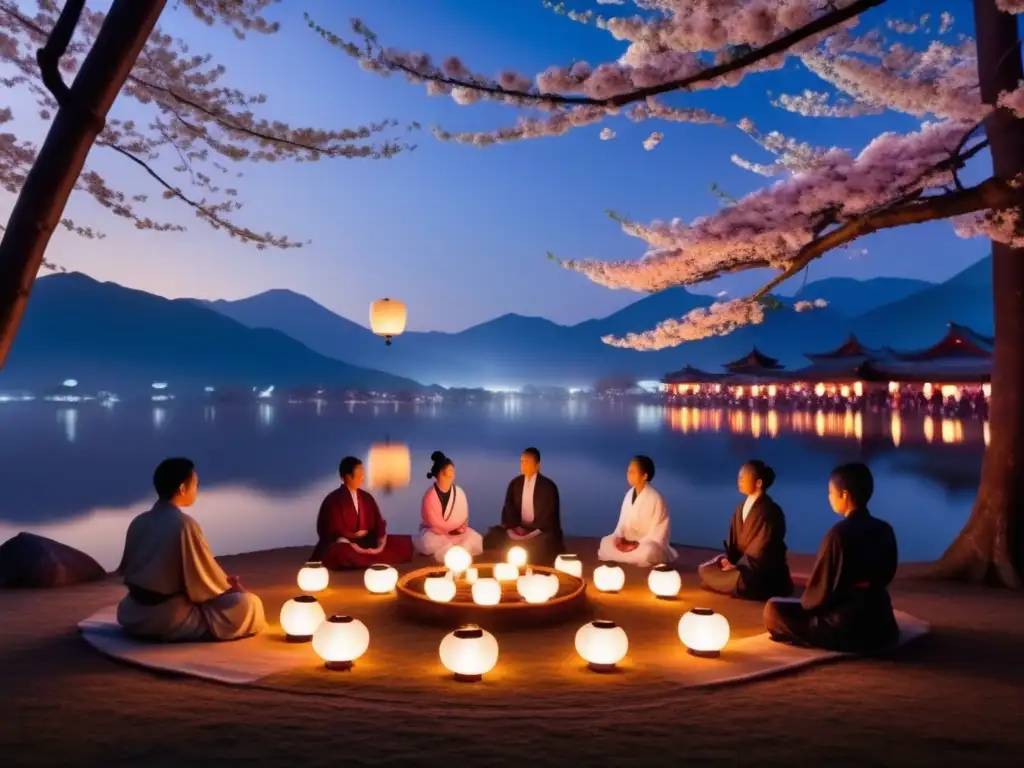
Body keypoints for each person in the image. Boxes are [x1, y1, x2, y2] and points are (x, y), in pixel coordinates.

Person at [116, 458, 266, 642]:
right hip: (166, 617)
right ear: (182, 488)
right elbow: (205, 583)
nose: (197, 488)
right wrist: (232, 587)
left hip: (131, 612)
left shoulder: (138, 521)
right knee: (250, 604)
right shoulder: (184, 525)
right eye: (195, 483)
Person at [763, 462, 900, 653]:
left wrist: (809, 604)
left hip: (846, 623)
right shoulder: (885, 529)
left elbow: (819, 592)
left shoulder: (838, 534)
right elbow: (887, 574)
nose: (829, 497)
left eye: (831, 492)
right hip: (880, 618)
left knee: (773, 610)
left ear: (844, 494)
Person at [698, 460, 793, 600]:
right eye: (739, 476)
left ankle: (732, 583)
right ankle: (729, 581)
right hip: (739, 565)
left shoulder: (771, 511)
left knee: (744, 581)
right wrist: (728, 560)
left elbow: (762, 549)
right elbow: (733, 540)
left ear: (758, 483)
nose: (739, 479)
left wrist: (737, 567)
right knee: (705, 568)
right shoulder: (741, 507)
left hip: (759, 570)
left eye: (744, 476)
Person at [310, 456, 414, 569]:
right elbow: (331, 531)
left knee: (402, 544)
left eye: (363, 474)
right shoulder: (333, 500)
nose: (363, 477)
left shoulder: (366, 497)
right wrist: (352, 539)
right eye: (359, 474)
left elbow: (378, 522)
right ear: (348, 476)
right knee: (340, 552)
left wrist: (380, 541)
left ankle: (366, 559)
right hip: (345, 543)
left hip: (367, 541)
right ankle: (366, 560)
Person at [482, 447, 565, 565]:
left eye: (527, 462)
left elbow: (549, 515)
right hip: (518, 528)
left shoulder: (548, 486)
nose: (523, 464)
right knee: (494, 535)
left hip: (539, 530)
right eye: (521, 461)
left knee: (543, 544)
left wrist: (531, 529)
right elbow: (508, 507)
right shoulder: (515, 483)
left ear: (538, 465)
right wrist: (516, 526)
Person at [597, 455, 677, 567]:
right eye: (628, 471)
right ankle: (626, 553)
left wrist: (637, 544)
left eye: (633, 472)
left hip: (645, 543)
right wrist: (619, 538)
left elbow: (659, 531)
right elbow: (622, 524)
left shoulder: (656, 498)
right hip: (627, 541)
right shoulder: (629, 495)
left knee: (649, 551)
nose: (628, 475)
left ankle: (630, 554)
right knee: (605, 542)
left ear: (644, 476)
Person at [414, 451, 484, 562]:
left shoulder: (459, 492)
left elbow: (464, 515)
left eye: (453, 470)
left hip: (458, 532)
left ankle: (457, 555)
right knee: (429, 543)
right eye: (449, 470)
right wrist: (447, 530)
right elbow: (433, 521)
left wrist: (459, 528)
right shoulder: (430, 495)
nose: (452, 473)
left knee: (472, 539)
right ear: (440, 473)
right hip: (436, 533)